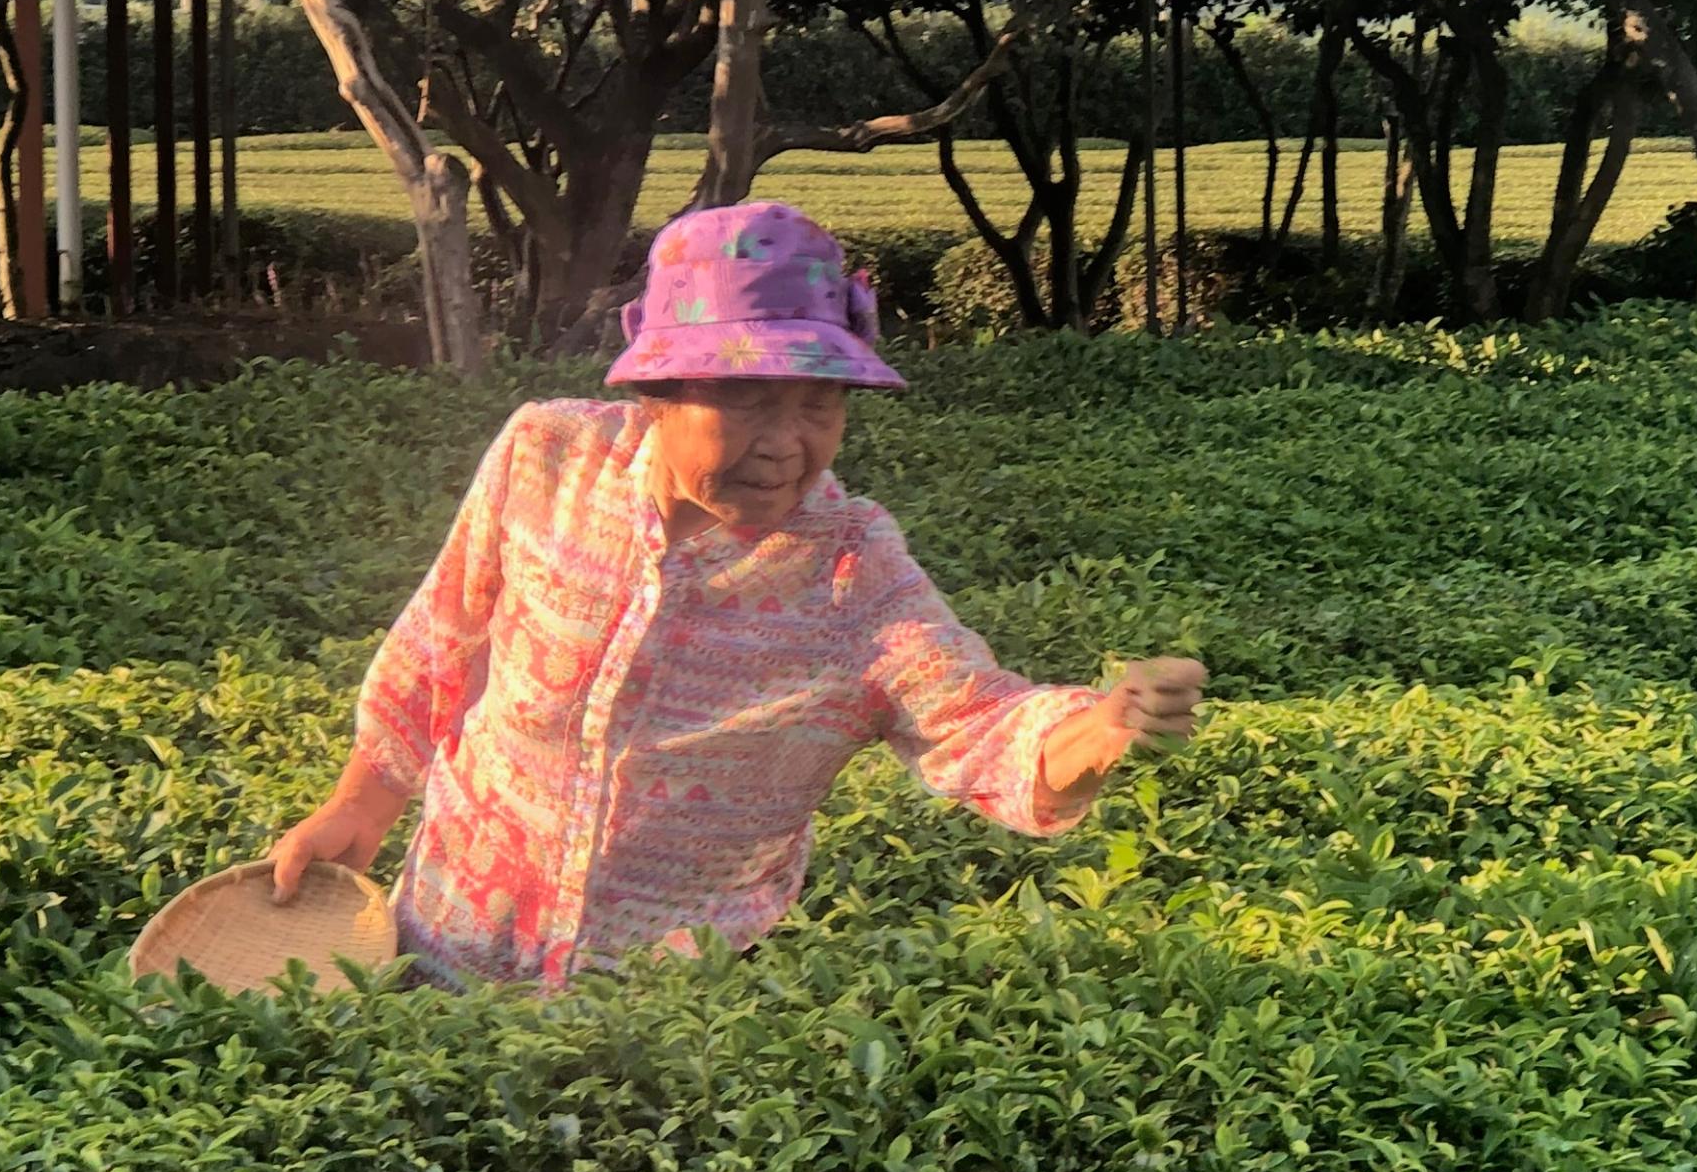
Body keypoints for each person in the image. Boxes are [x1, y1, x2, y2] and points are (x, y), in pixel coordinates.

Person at [261, 199, 1204, 988]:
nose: (788, 441)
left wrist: (1102, 727)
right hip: (442, 943)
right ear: (660, 392)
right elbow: (442, 643)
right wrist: (358, 809)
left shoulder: (853, 568)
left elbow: (982, 726)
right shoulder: (545, 455)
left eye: (820, 403)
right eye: (750, 400)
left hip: (669, 1012)